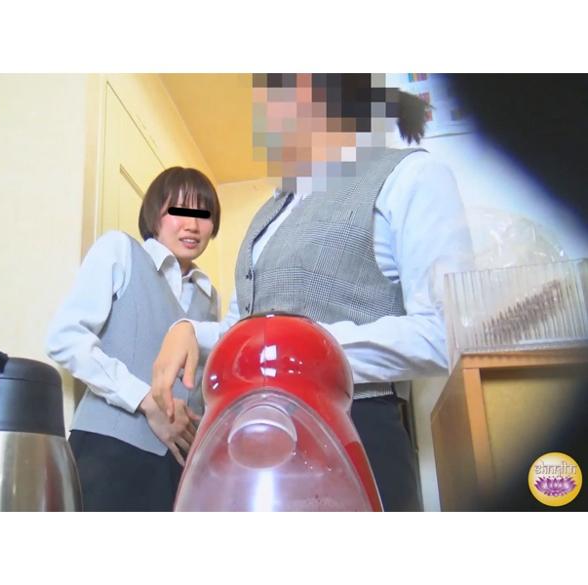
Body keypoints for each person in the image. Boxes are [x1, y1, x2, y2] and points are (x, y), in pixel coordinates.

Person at [150, 74, 475, 511]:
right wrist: (188, 328)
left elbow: (445, 334)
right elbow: (242, 330)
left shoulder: (410, 175)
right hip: (244, 447)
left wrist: (300, 355)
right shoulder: (266, 216)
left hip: (353, 434)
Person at [46, 166, 221, 511]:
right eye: (179, 211)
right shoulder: (120, 250)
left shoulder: (209, 296)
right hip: (108, 451)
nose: (192, 224)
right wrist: (146, 400)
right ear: (155, 214)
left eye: (203, 215)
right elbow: (65, 337)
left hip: (178, 463)